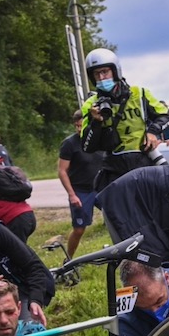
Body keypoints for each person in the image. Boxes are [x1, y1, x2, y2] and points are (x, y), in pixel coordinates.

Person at [80, 47, 169, 191]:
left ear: (115, 71)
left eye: (105, 72)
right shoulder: (90, 105)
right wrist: (96, 122)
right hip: (114, 168)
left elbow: (165, 115)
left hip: (144, 160)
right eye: (97, 74)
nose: (102, 78)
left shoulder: (139, 93)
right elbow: (87, 146)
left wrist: (152, 132)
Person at [57, 110, 105, 257]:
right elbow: (62, 171)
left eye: (81, 125)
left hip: (100, 187)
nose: (79, 129)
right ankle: (69, 260)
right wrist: (72, 195)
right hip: (80, 191)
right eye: (76, 126)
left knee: (118, 219)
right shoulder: (69, 144)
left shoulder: (100, 139)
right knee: (79, 229)